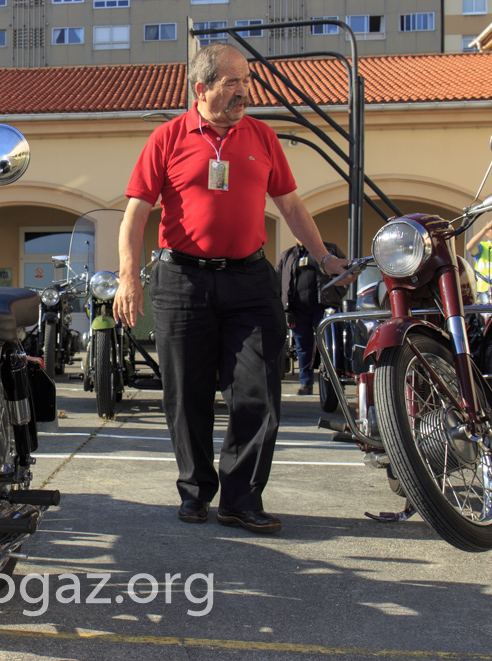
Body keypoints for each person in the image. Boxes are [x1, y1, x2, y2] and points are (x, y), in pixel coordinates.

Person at [113, 43, 351, 534]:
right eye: (232, 82)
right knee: (187, 393)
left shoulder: (262, 136)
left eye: (247, 81)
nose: (245, 91)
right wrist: (127, 277)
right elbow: (135, 214)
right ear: (201, 89)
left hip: (249, 279)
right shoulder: (167, 137)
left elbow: (290, 206)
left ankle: (241, 499)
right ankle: (195, 490)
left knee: (258, 390)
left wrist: (325, 257)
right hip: (182, 281)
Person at [276, 240, 346, 396]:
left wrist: (336, 296)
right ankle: (306, 383)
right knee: (303, 348)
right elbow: (278, 281)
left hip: (324, 308)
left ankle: (332, 384)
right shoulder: (287, 256)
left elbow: (346, 273)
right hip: (298, 311)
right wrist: (285, 308)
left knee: (329, 346)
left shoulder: (329, 250)